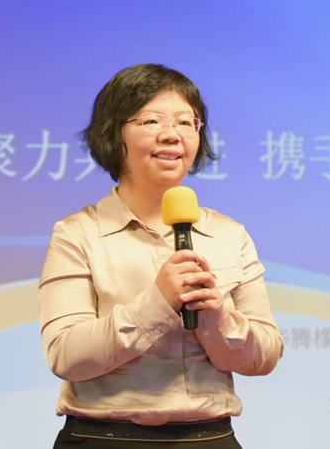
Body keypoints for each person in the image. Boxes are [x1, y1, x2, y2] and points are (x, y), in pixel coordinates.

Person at [39, 64, 284, 448]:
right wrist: (157, 303)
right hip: (103, 439)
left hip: (210, 438)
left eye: (187, 122)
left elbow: (265, 355)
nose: (172, 134)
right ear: (112, 133)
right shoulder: (77, 233)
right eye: (152, 120)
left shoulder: (229, 234)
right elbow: (65, 355)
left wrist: (218, 317)